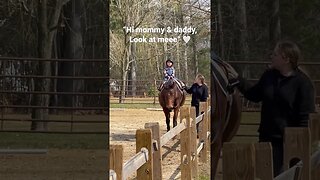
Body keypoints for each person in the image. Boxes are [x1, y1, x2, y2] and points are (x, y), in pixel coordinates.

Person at [235, 40, 315, 176]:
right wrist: (239, 82)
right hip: (266, 137)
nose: (272, 56)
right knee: (264, 174)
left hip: (290, 141)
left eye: (275, 54)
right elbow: (255, 95)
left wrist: (298, 143)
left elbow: (305, 115)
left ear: (286, 59)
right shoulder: (269, 76)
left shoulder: (302, 83)